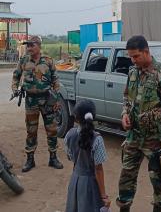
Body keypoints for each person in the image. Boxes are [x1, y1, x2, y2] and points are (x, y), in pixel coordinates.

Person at [116, 35, 161, 212]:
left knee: (159, 181)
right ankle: (124, 208)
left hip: (155, 139)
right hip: (134, 136)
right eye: (130, 56)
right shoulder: (132, 72)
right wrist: (124, 115)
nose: (133, 60)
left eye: (136, 56)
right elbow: (126, 98)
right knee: (126, 178)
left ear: (146, 52)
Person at [11, 35, 63, 172]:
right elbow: (16, 75)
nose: (28, 48)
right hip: (31, 100)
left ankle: (53, 158)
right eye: (27, 45)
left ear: (38, 46)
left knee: (52, 130)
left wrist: (56, 99)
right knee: (31, 130)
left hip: (47, 100)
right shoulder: (24, 60)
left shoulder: (48, 61)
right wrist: (15, 88)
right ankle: (30, 160)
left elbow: (56, 81)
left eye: (31, 45)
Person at [64, 99, 111, 212]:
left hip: (75, 181)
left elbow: (70, 157)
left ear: (76, 118)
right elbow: (98, 169)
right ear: (93, 116)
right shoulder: (97, 139)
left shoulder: (69, 135)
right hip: (90, 185)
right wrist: (103, 195)